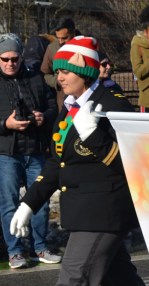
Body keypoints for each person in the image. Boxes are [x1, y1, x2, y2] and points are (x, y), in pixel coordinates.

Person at [0, 36, 149, 286]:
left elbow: (131, 164)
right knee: (121, 279)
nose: (59, 76)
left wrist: (96, 136)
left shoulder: (112, 104)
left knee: (73, 284)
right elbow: (55, 163)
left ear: (83, 71)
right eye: (58, 71)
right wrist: (29, 202)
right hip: (83, 210)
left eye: (65, 70)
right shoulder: (71, 107)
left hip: (103, 212)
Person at [0, 33, 60, 269]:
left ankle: (40, 248)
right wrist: (6, 124)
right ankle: (15, 251)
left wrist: (42, 117)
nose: (9, 63)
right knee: (8, 203)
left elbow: (52, 106)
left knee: (41, 201)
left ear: (21, 57)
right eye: (4, 59)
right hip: (7, 152)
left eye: (14, 59)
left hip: (35, 149)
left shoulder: (35, 78)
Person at [40, 18, 78, 109]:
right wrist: (56, 82)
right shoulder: (52, 48)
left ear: (73, 33)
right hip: (63, 101)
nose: (60, 42)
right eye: (58, 38)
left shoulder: (87, 45)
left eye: (64, 38)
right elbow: (45, 73)